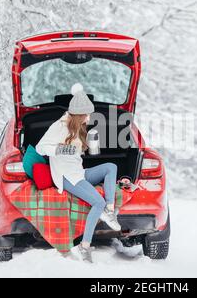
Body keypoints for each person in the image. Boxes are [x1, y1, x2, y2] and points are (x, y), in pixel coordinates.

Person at [36, 83, 121, 263]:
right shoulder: (59, 126)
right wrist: (60, 150)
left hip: (78, 172)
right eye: (87, 115)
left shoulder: (78, 128)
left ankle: (110, 210)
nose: (89, 118)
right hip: (66, 177)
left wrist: (87, 146)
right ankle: (84, 247)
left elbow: (78, 154)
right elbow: (40, 147)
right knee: (97, 202)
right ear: (79, 114)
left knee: (111, 167)